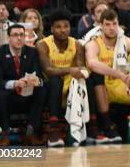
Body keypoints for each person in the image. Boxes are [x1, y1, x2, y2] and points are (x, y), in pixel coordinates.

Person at [85, 9, 130, 142]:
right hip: (103, 88)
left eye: (114, 24)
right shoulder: (94, 43)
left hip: (125, 87)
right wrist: (119, 75)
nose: (112, 28)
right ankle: (107, 126)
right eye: (107, 24)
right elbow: (92, 63)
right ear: (100, 26)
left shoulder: (126, 41)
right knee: (95, 74)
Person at [36, 9, 90, 147]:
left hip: (71, 86)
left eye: (66, 26)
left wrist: (79, 72)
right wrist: (70, 70)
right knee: (55, 81)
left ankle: (88, 128)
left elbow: (80, 68)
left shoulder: (77, 44)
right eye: (58, 27)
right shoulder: (42, 44)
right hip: (50, 87)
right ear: (52, 29)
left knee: (84, 81)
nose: (63, 30)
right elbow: (48, 71)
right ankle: (53, 130)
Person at [0, 23, 47, 146]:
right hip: (9, 94)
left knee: (42, 91)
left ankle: (30, 133)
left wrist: (37, 81)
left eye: (22, 35)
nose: (19, 38)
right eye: (15, 35)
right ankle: (5, 134)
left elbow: (40, 77)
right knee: (0, 93)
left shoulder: (32, 52)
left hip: (27, 92)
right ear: (8, 37)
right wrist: (15, 83)